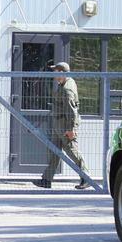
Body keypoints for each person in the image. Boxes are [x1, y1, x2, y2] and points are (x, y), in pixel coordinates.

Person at [33, 62, 89, 190]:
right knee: (54, 151)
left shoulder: (67, 89)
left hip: (65, 126)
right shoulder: (64, 83)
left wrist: (71, 129)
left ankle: (86, 178)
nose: (54, 73)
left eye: (56, 71)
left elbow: (72, 111)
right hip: (58, 124)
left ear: (62, 73)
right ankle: (46, 180)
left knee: (72, 152)